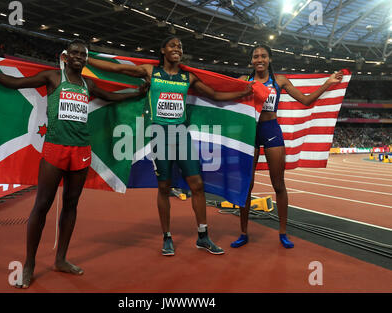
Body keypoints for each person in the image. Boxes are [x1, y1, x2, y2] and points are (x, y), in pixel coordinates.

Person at [0, 39, 148, 288]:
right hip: (54, 150)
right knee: (42, 205)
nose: (79, 58)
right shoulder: (52, 78)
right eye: (74, 53)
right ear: (65, 57)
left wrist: (137, 93)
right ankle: (29, 263)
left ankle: (61, 259)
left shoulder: (88, 84)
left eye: (83, 55)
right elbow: (14, 83)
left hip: (81, 151)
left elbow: (110, 97)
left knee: (71, 205)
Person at [88, 36, 254, 256]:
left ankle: (203, 236)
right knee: (164, 188)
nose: (177, 48)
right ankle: (167, 237)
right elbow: (115, 69)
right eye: (173, 45)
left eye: (180, 47)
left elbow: (214, 95)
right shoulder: (150, 71)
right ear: (163, 50)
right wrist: (86, 60)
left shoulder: (188, 77)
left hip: (181, 134)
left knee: (196, 184)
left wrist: (242, 93)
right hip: (159, 134)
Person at [231, 44, 343, 249]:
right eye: (255, 56)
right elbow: (224, 98)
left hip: (271, 130)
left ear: (270, 59)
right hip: (249, 131)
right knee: (246, 184)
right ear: (251, 61)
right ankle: (243, 232)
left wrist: (328, 83)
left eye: (263, 56)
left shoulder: (279, 81)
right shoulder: (243, 81)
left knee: (279, 184)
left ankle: (283, 233)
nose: (259, 59)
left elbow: (306, 100)